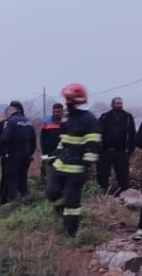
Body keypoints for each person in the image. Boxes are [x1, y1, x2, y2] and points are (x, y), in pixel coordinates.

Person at [45, 83, 100, 237]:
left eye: (68, 101)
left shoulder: (89, 120)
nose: (66, 104)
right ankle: (63, 215)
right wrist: (55, 155)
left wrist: (85, 167)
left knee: (72, 203)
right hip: (61, 165)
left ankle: (70, 233)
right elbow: (63, 141)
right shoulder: (67, 119)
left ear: (76, 102)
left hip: (76, 170)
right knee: (51, 193)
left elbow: (93, 147)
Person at [0, 101, 35, 204]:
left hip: (13, 158)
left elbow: (3, 139)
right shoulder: (28, 122)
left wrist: (5, 153)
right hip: (25, 158)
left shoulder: (11, 122)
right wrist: (29, 154)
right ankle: (25, 205)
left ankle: (12, 207)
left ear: (12, 110)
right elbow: (33, 142)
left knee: (12, 184)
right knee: (23, 183)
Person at [97, 97, 135, 195]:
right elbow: (98, 133)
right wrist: (98, 149)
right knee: (103, 175)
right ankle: (102, 194)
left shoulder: (127, 117)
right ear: (112, 104)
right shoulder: (105, 117)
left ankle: (126, 195)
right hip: (105, 151)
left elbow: (132, 134)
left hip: (121, 151)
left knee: (123, 175)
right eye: (117, 103)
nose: (120, 105)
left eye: (121, 103)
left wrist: (129, 150)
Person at [39, 103, 64, 183]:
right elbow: (42, 138)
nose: (56, 113)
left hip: (62, 152)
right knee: (46, 170)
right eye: (54, 111)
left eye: (58, 112)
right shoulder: (47, 122)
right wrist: (44, 153)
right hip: (48, 152)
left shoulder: (65, 122)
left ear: (62, 112)